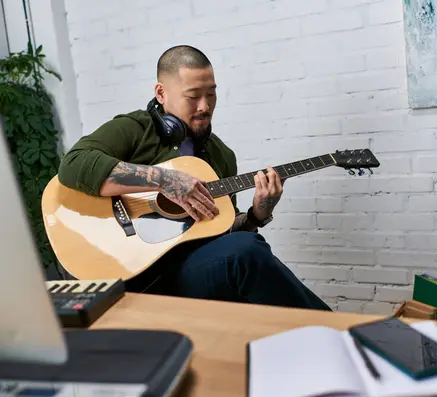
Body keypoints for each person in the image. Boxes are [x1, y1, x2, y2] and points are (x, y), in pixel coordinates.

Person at [57, 45, 331, 311]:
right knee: (246, 252)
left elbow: (221, 233)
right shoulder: (135, 130)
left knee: (246, 250)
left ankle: (318, 339)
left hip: (185, 272)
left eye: (211, 94)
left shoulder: (220, 155)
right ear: (161, 93)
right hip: (130, 275)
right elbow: (74, 163)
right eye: (193, 96)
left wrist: (257, 215)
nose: (205, 106)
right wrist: (165, 180)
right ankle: (339, 331)